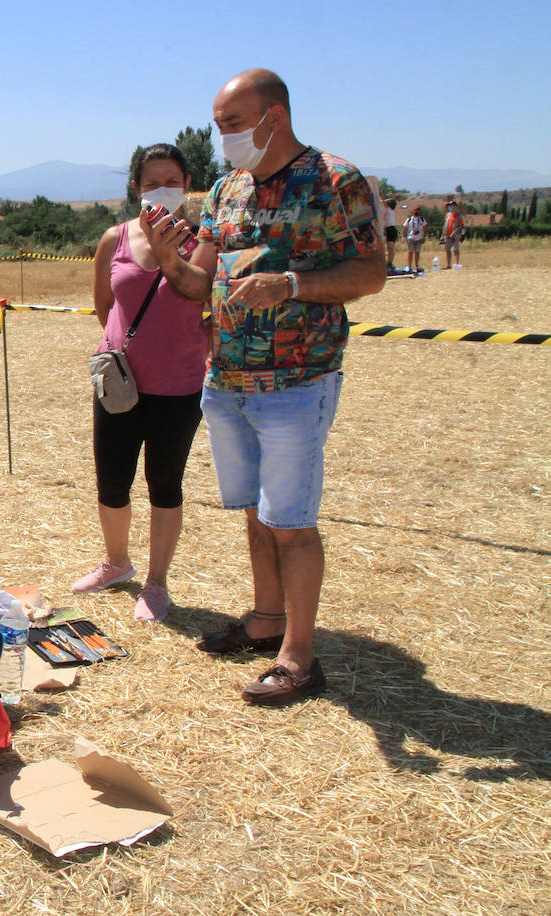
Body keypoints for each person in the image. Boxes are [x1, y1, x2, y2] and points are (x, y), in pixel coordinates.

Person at [142, 68, 385, 705]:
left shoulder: (336, 180)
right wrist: (167, 253)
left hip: (298, 380)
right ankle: (265, 620)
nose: (222, 137)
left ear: (273, 116)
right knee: (253, 510)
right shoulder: (226, 189)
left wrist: (292, 285)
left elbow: (372, 272)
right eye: (219, 124)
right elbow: (198, 283)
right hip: (226, 380)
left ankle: (299, 658)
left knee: (292, 521)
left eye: (232, 123)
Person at [70, 143, 209, 623]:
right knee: (111, 481)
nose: (161, 190)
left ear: (187, 185)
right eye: (151, 183)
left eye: (171, 181)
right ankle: (115, 563)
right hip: (119, 383)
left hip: (180, 384)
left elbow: (204, 294)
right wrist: (126, 346)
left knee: (164, 485)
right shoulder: (115, 238)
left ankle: (156, 584)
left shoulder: (204, 241)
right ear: (135, 188)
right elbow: (104, 304)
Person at [441, 197, 464, 270]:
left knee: (455, 249)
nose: (451, 207)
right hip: (447, 235)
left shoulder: (459, 215)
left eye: (452, 205)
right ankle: (448, 265)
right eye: (450, 206)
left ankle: (457, 264)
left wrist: (454, 233)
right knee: (447, 250)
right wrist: (443, 235)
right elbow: (445, 225)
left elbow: (460, 226)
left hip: (455, 235)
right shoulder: (447, 215)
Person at [403, 205, 427, 273]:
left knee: (417, 252)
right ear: (413, 211)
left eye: (418, 210)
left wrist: (424, 237)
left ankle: (416, 266)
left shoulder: (422, 219)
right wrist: (403, 236)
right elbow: (404, 228)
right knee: (410, 252)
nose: (416, 212)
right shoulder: (409, 219)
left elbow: (425, 228)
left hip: (419, 238)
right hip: (411, 238)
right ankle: (409, 266)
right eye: (415, 210)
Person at [383, 197, 398, 271]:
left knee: (390, 248)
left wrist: (380, 193)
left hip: (390, 229)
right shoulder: (391, 210)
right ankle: (389, 263)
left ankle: (389, 263)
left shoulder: (389, 210)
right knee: (390, 248)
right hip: (390, 229)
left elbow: (383, 201)